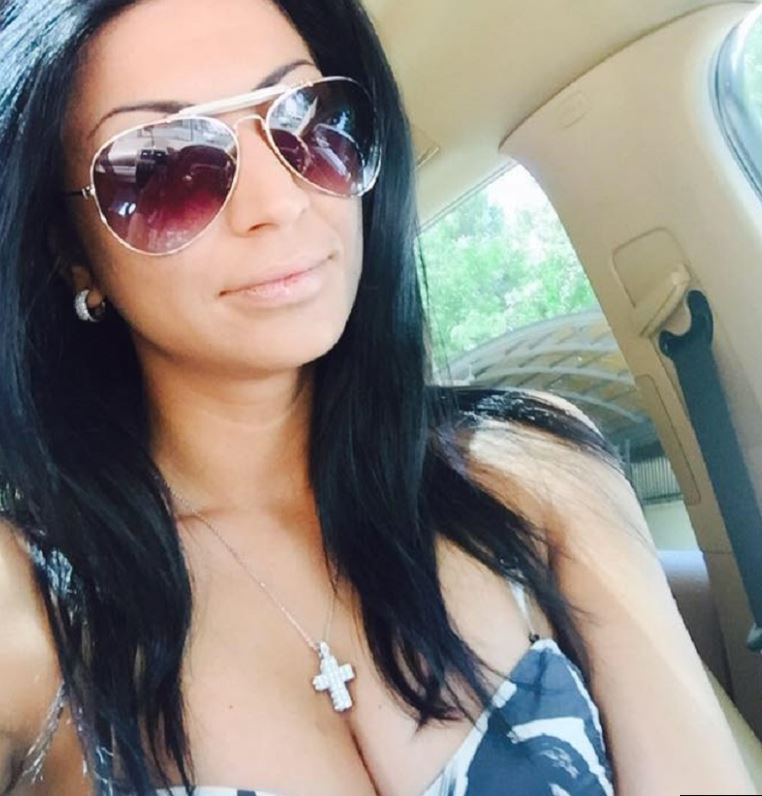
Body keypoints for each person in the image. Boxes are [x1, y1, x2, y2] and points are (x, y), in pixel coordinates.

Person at [0, 0, 755, 794]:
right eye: (164, 169)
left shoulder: (537, 476)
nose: (280, 202)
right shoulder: (29, 610)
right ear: (71, 252)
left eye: (309, 120)